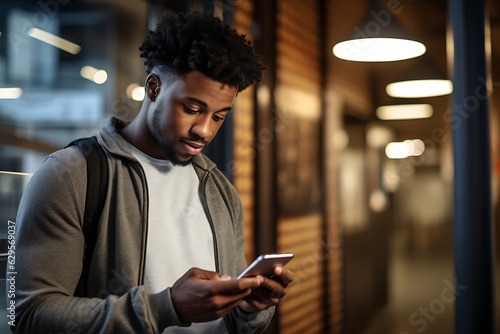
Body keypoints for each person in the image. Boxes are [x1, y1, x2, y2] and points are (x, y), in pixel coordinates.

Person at [12, 12, 294, 333]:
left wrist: (247, 308)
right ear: (154, 87)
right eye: (192, 108)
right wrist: (166, 308)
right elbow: (32, 316)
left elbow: (232, 323)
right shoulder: (72, 174)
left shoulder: (219, 189)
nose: (204, 130)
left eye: (218, 116)